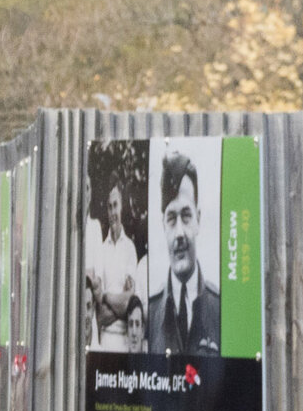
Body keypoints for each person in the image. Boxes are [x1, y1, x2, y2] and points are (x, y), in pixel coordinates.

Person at [139, 153, 222, 362]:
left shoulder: (221, 308)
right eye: (171, 218)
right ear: (163, 225)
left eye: (186, 216)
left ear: (198, 220)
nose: (179, 233)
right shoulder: (151, 312)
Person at [81, 169, 145, 350]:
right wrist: (118, 303)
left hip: (125, 339)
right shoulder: (101, 248)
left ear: (122, 206)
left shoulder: (130, 249)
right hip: (106, 338)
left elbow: (130, 302)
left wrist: (108, 298)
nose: (112, 212)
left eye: (115, 205)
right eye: (109, 207)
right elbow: (99, 311)